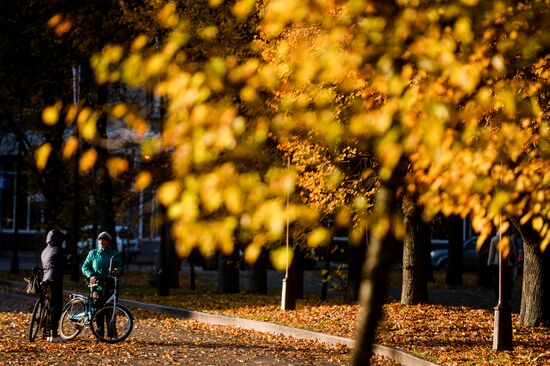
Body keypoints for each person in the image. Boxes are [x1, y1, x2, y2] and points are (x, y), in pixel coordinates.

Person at [81, 231, 124, 307]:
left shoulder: (115, 254)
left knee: (109, 310)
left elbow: (121, 267)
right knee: (96, 311)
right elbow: (85, 267)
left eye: (104, 239)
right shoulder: (93, 253)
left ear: (108, 242)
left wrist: (118, 270)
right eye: (100, 239)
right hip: (96, 286)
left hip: (110, 286)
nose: (101, 241)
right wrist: (90, 275)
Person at [40, 229, 66, 342]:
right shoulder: (59, 250)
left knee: (48, 306)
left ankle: (46, 331)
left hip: (45, 280)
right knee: (56, 307)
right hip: (55, 280)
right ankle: (53, 333)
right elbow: (64, 265)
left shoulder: (45, 251)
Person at [487, 233, 516, 303]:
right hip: (507, 262)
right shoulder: (509, 239)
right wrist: (514, 262)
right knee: (507, 280)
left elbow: (492, 252)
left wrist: (489, 263)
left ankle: (497, 295)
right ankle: (507, 295)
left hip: (497, 262)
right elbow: (513, 251)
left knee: (497, 280)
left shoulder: (494, 239)